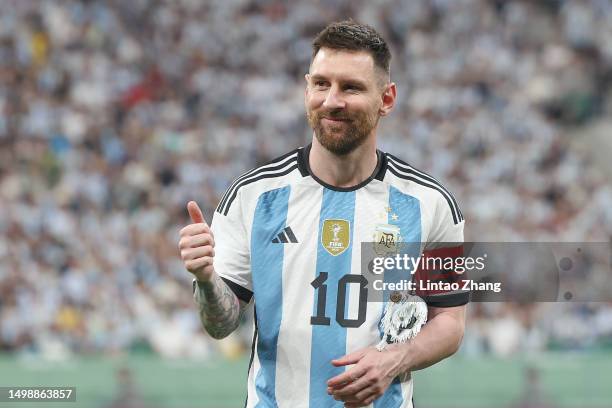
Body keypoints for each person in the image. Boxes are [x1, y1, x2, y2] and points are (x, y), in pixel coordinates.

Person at [178, 20, 467, 408]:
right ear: (306, 89)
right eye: (321, 84)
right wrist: (206, 278)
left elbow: (450, 322)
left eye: (351, 87)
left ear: (387, 98)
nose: (332, 100)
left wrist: (393, 360)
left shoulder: (430, 204)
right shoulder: (253, 196)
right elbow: (220, 325)